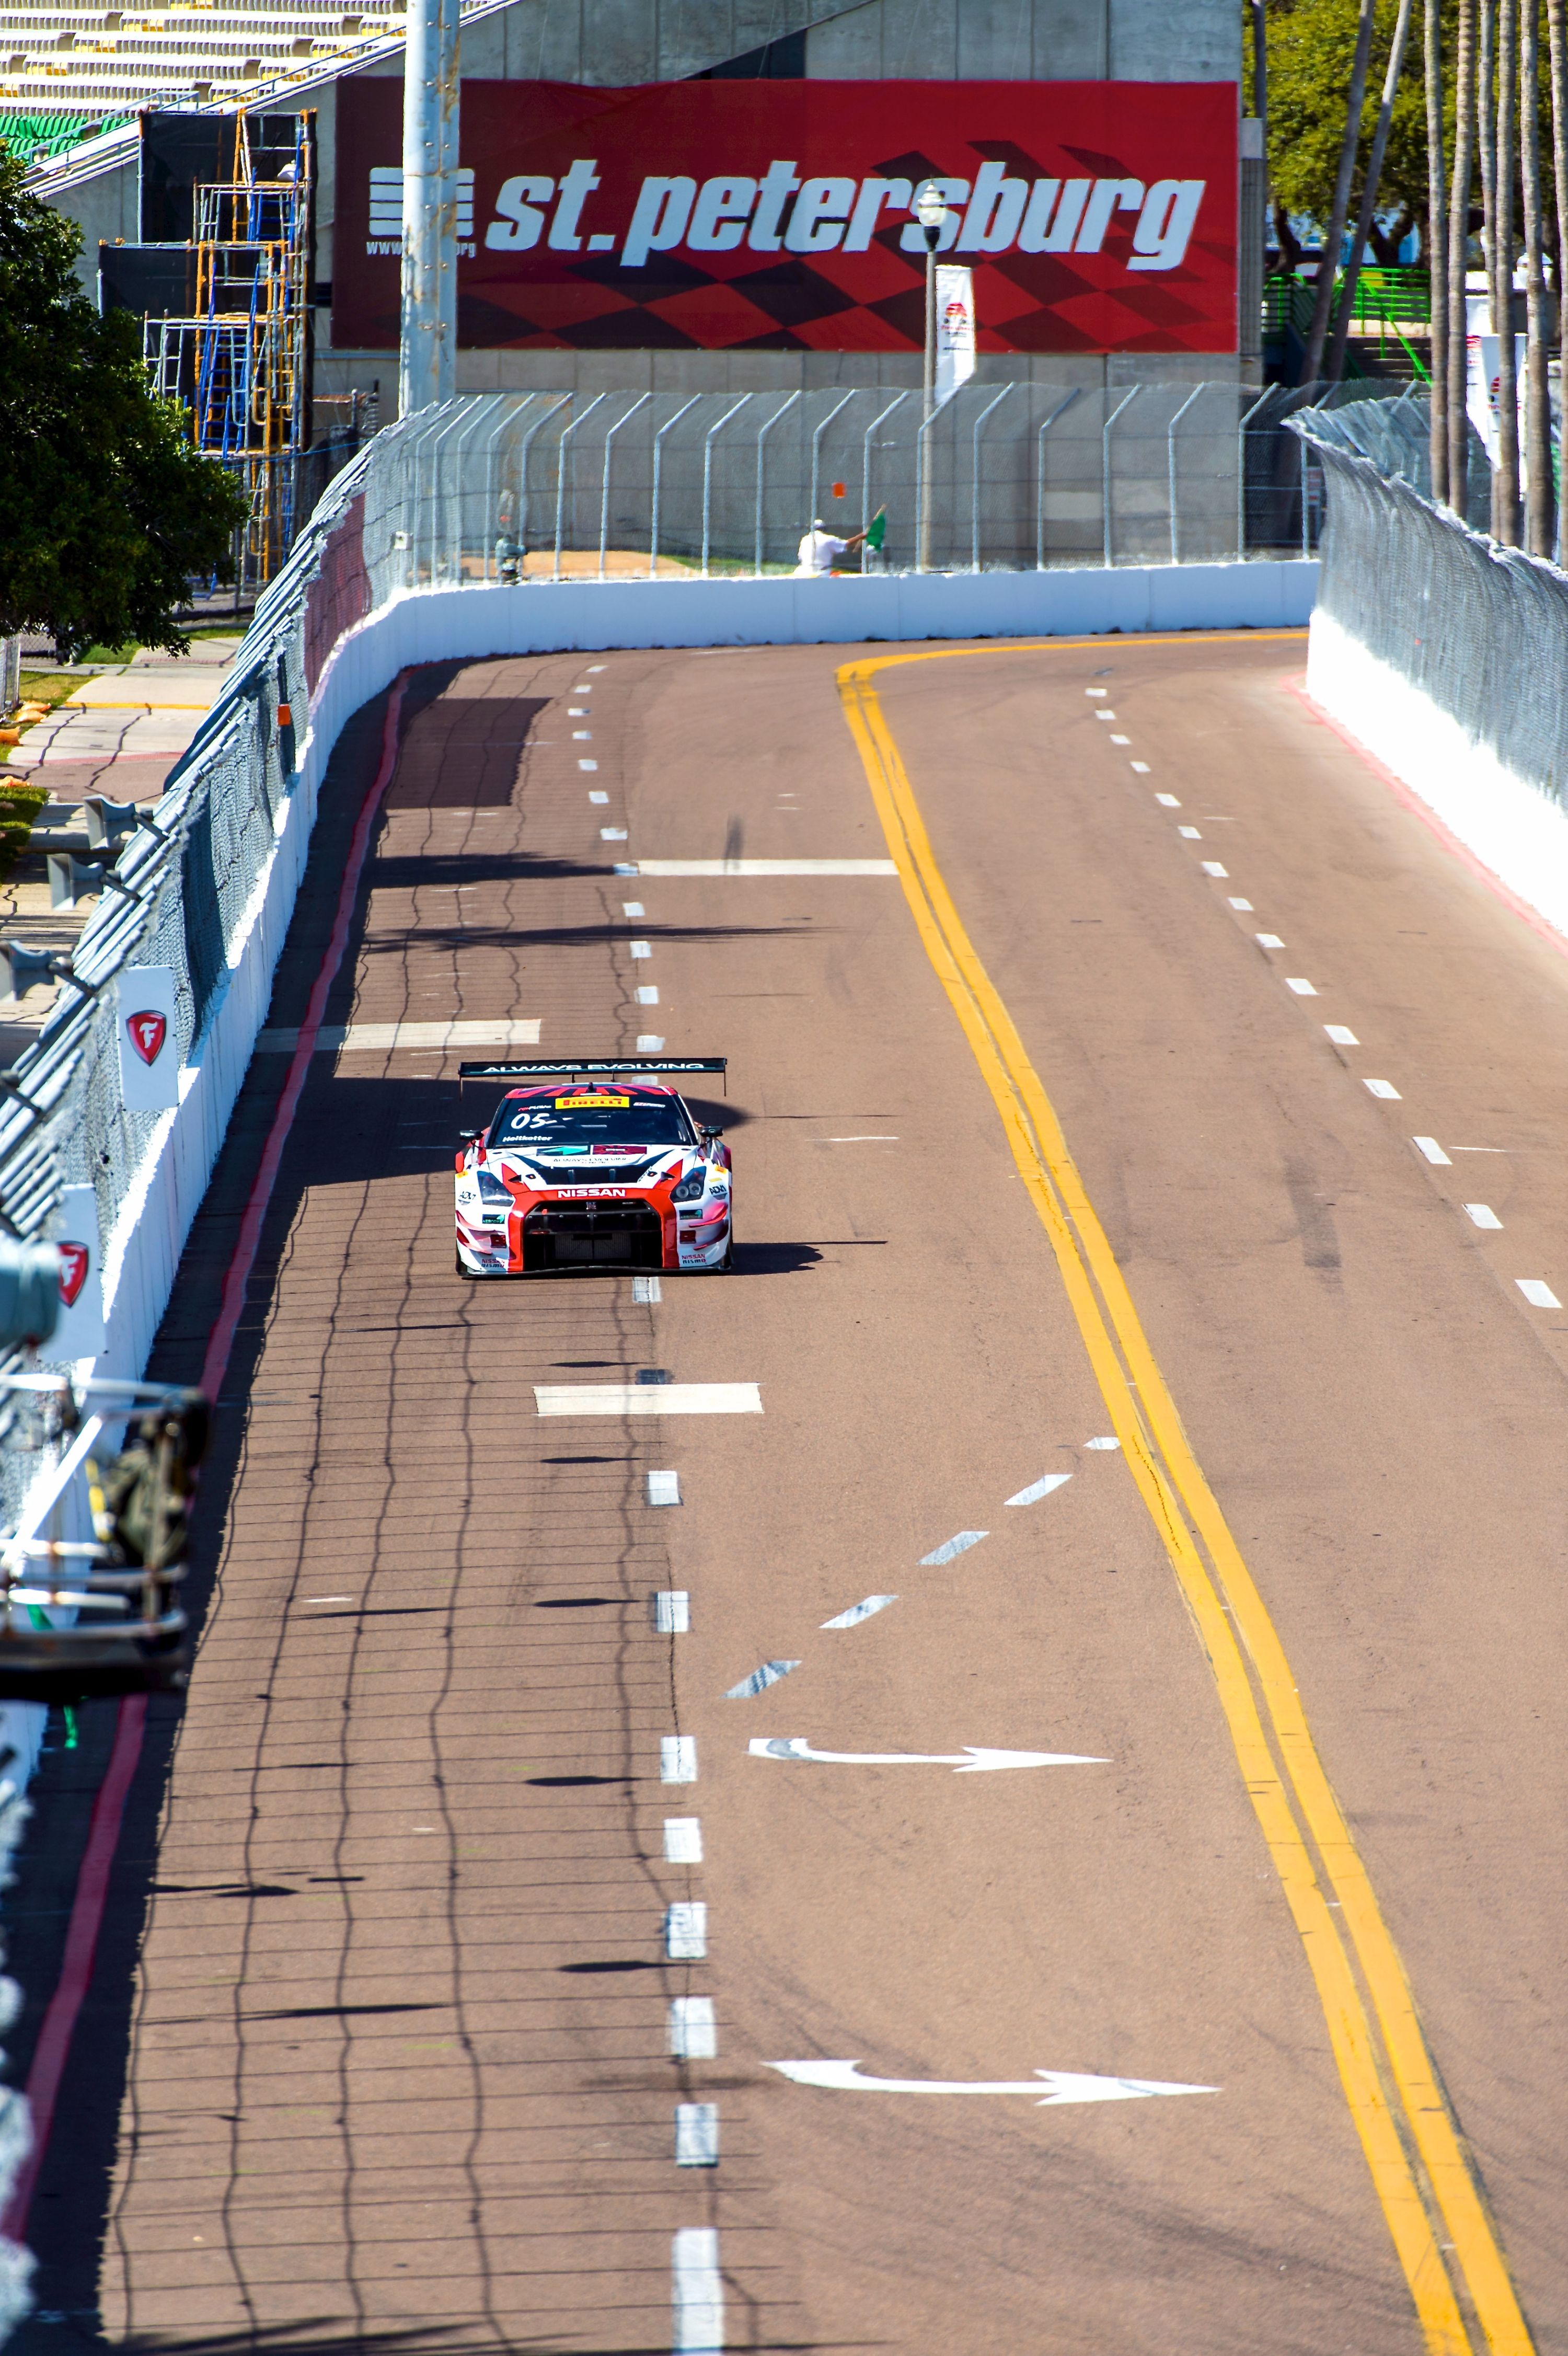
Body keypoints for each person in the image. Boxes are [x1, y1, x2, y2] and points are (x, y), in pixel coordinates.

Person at [793, 516, 869, 576]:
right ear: (823, 529)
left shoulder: (804, 540)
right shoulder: (827, 539)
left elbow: (800, 557)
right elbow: (845, 544)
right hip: (822, 573)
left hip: (804, 572)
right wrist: (861, 536)